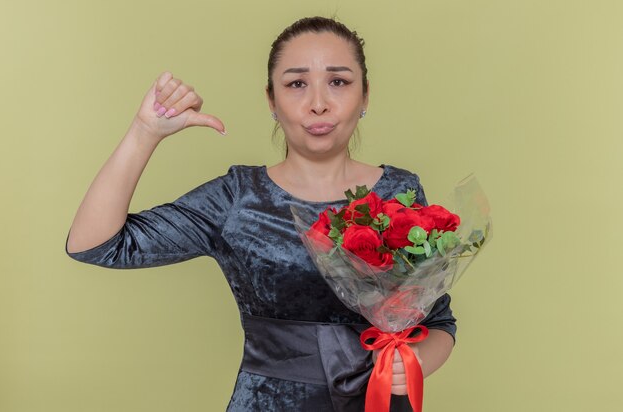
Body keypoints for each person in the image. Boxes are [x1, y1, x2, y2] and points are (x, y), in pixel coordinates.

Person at [65, 16, 456, 412]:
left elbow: (438, 321)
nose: (318, 102)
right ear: (271, 100)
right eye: (296, 83)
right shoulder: (238, 197)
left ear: (365, 95)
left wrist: (416, 363)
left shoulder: (399, 194)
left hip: (378, 400)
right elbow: (94, 245)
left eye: (338, 81)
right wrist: (144, 131)